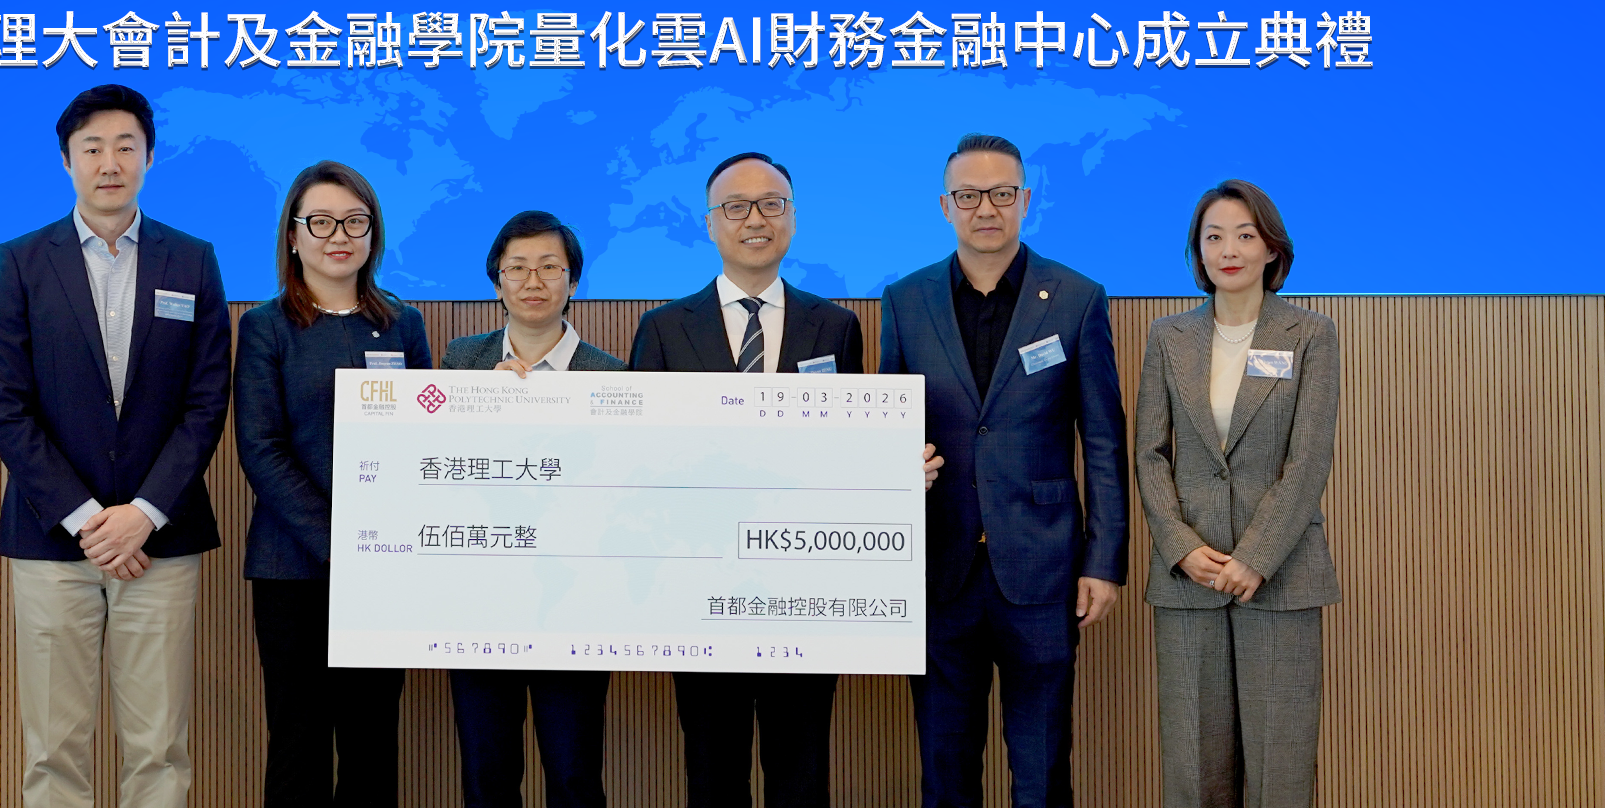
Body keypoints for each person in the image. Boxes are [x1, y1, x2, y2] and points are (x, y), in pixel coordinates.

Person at [0, 84, 231, 808]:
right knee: (55, 749)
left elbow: (205, 403)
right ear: (67, 161)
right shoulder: (22, 262)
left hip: (161, 540)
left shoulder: (193, 261)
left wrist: (143, 512)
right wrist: (89, 518)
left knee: (159, 747)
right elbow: (7, 408)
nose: (109, 161)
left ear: (149, 157)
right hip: (53, 540)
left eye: (126, 146)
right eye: (92, 148)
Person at [879, 133, 1129, 808]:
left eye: (1000, 193)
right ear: (945, 206)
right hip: (938, 571)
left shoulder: (1077, 298)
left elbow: (1103, 439)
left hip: (1044, 570)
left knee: (1042, 770)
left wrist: (1103, 562)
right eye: (968, 195)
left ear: (1025, 199)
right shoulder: (905, 301)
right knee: (945, 767)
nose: (984, 208)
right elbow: (884, 428)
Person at [627, 151, 862, 808]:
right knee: (713, 772)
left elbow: (851, 451)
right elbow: (642, 461)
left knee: (802, 772)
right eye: (736, 206)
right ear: (710, 224)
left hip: (805, 588)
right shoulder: (665, 329)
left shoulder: (836, 326)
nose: (754, 219)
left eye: (771, 204)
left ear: (791, 219)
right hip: (700, 590)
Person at [234, 160, 433, 808]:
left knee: (373, 739)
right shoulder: (266, 327)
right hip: (293, 567)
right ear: (293, 235)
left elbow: (426, 435)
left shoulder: (402, 324)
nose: (337, 235)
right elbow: (261, 450)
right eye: (319, 221)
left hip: (384, 569)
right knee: (299, 739)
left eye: (354, 220)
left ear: (373, 233)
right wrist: (339, 542)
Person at [1134, 181, 1339, 808]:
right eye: (1214, 237)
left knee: (1279, 769)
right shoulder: (1168, 338)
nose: (1230, 250)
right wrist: (1181, 546)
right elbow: (1150, 453)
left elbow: (1309, 458)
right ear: (1198, 251)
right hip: (1189, 578)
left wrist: (1256, 555)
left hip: (1279, 578)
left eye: (1245, 236)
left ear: (1272, 249)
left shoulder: (1309, 334)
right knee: (1192, 770)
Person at [440, 210, 625, 808]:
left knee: (573, 776)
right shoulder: (460, 364)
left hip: (574, 602)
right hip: (479, 599)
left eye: (550, 267)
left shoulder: (613, 375)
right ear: (497, 281)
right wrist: (482, 413)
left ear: (573, 281)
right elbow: (435, 473)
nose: (533, 281)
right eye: (516, 268)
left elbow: (622, 492)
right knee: (487, 777)